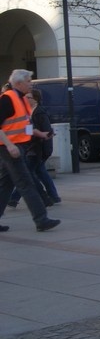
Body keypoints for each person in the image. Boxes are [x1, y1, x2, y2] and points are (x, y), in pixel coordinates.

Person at [0, 69, 60, 233]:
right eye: (28, 81)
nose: (31, 84)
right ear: (18, 83)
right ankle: (41, 220)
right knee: (26, 183)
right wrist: (10, 146)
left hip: (17, 147)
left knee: (5, 184)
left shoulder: (22, 99)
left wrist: (41, 134)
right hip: (10, 147)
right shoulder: (7, 99)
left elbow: (24, 126)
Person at [9, 89, 61, 207]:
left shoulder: (40, 113)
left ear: (35, 99)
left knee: (27, 173)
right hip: (32, 148)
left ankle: (14, 198)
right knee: (39, 171)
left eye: (29, 98)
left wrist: (34, 134)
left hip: (38, 149)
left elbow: (46, 131)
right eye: (25, 98)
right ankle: (53, 196)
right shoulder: (29, 112)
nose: (26, 100)